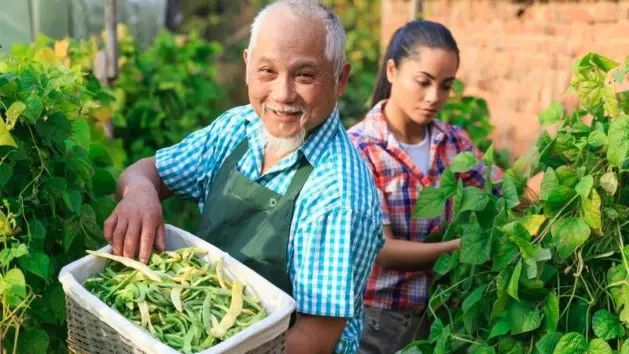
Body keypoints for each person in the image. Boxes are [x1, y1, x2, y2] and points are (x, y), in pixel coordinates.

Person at [102, 1, 384, 353]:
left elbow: (312, 340)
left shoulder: (338, 195)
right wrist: (140, 192)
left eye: (305, 75)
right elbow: (148, 171)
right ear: (248, 66)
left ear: (340, 79)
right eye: (268, 71)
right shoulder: (238, 127)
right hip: (214, 334)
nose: (283, 94)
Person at [347, 20, 503, 353]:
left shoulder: (453, 142)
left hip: (444, 318)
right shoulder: (361, 149)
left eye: (446, 86)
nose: (434, 97)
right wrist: (464, 248)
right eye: (423, 81)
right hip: (379, 325)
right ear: (392, 70)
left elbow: (507, 193)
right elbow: (384, 251)